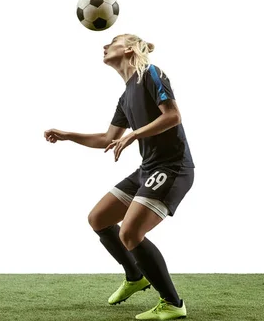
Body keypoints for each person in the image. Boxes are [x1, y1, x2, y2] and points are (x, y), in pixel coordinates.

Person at [44, 34, 195, 320]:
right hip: (148, 168)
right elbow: (108, 138)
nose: (104, 46)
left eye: (111, 42)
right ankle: (135, 276)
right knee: (99, 218)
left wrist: (135, 134)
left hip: (172, 167)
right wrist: (67, 135)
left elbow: (173, 116)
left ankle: (173, 303)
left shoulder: (151, 73)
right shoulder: (126, 95)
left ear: (127, 49)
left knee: (129, 232)